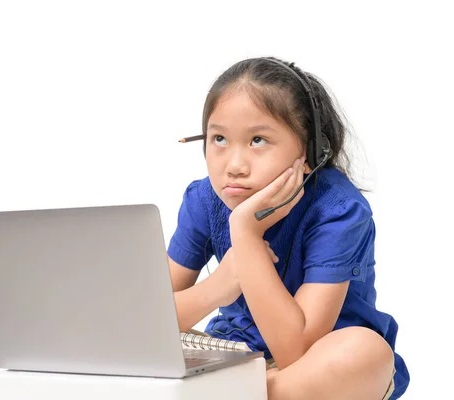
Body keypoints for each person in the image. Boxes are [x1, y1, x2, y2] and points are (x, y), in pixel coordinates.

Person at [168, 57, 409, 399]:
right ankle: (235, 388)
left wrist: (246, 234)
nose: (234, 166)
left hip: (314, 366)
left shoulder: (339, 210)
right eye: (219, 138)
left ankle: (239, 392)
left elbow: (295, 352)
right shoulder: (204, 198)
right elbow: (149, 320)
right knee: (131, 330)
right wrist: (218, 288)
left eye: (257, 141)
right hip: (233, 354)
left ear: (312, 151)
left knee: (367, 351)